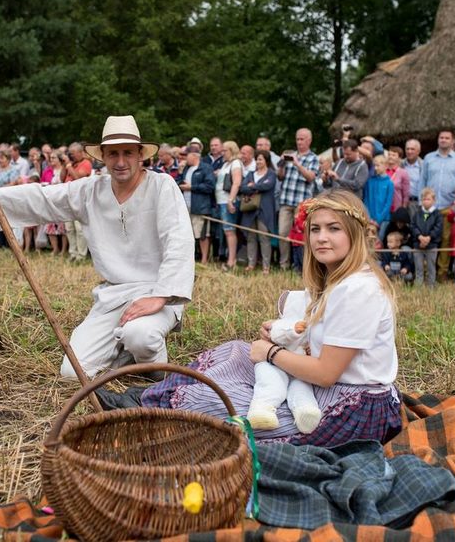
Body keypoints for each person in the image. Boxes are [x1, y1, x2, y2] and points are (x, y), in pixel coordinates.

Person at [140, 189, 401, 446]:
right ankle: (160, 395)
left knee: (215, 405)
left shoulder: (358, 290)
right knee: (235, 352)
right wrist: (281, 330)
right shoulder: (338, 281)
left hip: (354, 408)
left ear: (354, 234)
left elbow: (325, 374)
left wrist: (272, 353)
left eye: (334, 229)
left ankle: (159, 404)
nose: (322, 238)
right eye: (315, 229)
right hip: (325, 387)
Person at [0, 115, 195, 379]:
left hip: (156, 290)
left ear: (140, 155)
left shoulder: (162, 186)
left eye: (128, 153)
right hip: (113, 296)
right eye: (113, 154)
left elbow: (178, 241)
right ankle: (125, 352)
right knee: (72, 373)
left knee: (140, 335)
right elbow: (41, 197)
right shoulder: (90, 191)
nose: (121, 162)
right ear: (103, 157)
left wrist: (160, 297)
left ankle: (153, 367)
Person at [422, 130, 455, 280]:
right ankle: (429, 272)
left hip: (450, 207)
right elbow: (423, 181)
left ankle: (442, 272)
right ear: (438, 140)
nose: (443, 140)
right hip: (430, 207)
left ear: (452, 141)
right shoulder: (428, 158)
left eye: (447, 138)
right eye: (441, 137)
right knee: (429, 238)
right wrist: (422, 203)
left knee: (446, 239)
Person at [277, 128, 319, 271]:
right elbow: (280, 177)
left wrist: (297, 164)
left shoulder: (313, 158)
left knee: (300, 236)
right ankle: (284, 265)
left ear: (309, 140)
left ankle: (302, 266)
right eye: (297, 139)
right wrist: (281, 165)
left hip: (302, 203)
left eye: (302, 139)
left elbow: (311, 177)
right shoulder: (291, 155)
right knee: (282, 234)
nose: (299, 142)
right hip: (286, 200)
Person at [239, 150, 277, 274]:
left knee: (264, 237)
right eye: (257, 159)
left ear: (266, 160)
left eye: (261, 159)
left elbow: (268, 186)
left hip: (264, 210)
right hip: (250, 210)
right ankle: (251, 264)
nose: (258, 162)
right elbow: (242, 188)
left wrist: (252, 186)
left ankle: (266, 266)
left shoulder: (271, 174)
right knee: (251, 237)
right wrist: (255, 187)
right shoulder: (251, 174)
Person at [178, 148, 216, 264]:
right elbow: (179, 182)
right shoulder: (186, 168)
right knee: (187, 234)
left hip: (201, 206)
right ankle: (190, 258)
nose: (185, 158)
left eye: (187, 155)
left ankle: (204, 259)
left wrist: (192, 187)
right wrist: (180, 173)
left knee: (202, 234)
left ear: (195, 155)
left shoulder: (206, 168)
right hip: (186, 206)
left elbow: (210, 186)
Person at [215, 140, 244, 270]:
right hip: (221, 200)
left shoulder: (236, 163)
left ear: (232, 150)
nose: (223, 153)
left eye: (225, 150)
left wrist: (230, 200)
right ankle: (230, 258)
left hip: (228, 201)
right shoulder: (226, 164)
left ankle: (231, 261)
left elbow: (237, 182)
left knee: (230, 231)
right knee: (227, 231)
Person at [62, 142, 93, 261]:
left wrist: (69, 166)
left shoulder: (86, 163)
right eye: (70, 153)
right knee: (69, 228)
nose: (71, 156)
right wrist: (65, 165)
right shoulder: (71, 164)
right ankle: (73, 253)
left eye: (73, 153)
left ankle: (81, 255)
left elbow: (78, 178)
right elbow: (62, 178)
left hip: (80, 199)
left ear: (81, 152)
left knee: (79, 228)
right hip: (68, 199)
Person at [411, 187, 442, 287]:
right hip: (418, 244)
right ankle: (418, 286)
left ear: (434, 200)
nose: (426, 201)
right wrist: (419, 237)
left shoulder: (437, 214)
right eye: (424, 199)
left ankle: (431, 286)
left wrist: (429, 237)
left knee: (431, 267)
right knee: (419, 268)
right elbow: (413, 226)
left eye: (428, 199)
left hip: (432, 245)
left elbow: (438, 228)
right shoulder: (417, 213)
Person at [43, 152, 68, 254]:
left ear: (59, 159)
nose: (51, 159)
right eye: (50, 158)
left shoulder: (64, 169)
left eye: (54, 157)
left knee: (63, 226)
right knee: (50, 224)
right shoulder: (48, 170)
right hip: (51, 200)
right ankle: (55, 248)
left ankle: (63, 250)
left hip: (62, 201)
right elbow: (42, 181)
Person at [364, 155, 394, 237]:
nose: (375, 168)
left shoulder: (389, 183)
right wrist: (369, 218)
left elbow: (388, 204)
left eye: (378, 165)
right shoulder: (369, 181)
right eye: (374, 165)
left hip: (384, 220)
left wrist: (378, 220)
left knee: (380, 241)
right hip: (369, 219)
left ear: (385, 166)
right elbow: (366, 200)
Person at [386, 146, 410, 212]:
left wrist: (403, 209)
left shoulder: (403, 173)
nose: (390, 157)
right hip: (382, 207)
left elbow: (406, 194)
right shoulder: (383, 171)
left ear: (399, 158)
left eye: (393, 155)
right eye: (389, 154)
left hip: (396, 208)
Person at [402, 139, 423, 212]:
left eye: (412, 149)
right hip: (401, 203)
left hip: (417, 203)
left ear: (418, 151)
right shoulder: (400, 164)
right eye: (407, 149)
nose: (409, 151)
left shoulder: (423, 166)